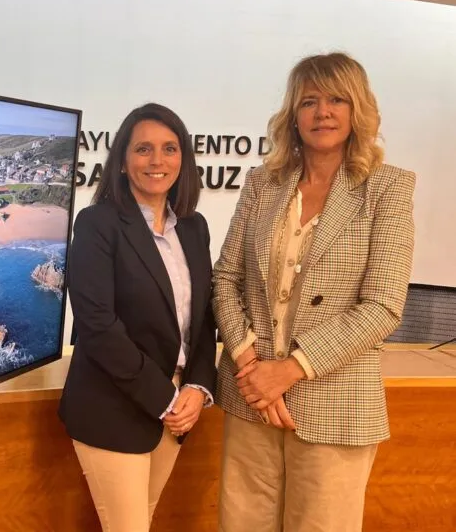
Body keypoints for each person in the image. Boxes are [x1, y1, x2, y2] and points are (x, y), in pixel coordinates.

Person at [212, 52, 416, 532]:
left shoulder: (387, 188)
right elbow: (225, 279)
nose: (322, 112)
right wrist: (252, 369)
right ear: (293, 115)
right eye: (309, 101)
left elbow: (383, 305)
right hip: (251, 400)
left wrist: (289, 370)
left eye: (336, 99)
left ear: (357, 110)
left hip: (335, 401)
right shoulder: (264, 184)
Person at [59, 103, 218, 532]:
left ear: (183, 159)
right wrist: (164, 398)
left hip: (177, 408)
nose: (157, 161)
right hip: (115, 407)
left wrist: (198, 388)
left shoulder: (194, 227)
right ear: (123, 162)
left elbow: (203, 319)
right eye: (143, 149)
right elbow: (97, 326)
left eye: (170, 148)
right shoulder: (98, 224)